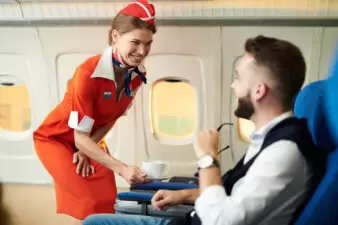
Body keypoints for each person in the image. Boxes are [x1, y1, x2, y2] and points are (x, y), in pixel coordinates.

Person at [82, 35, 326, 225]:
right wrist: (184, 195)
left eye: (238, 78)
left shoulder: (283, 152)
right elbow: (233, 195)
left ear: (260, 91)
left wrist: (208, 158)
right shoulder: (270, 139)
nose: (233, 85)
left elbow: (221, 220)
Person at [33, 0, 156, 223]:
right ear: (115, 37)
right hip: (57, 139)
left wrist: (88, 148)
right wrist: (122, 168)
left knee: (108, 198)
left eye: (148, 43)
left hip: (89, 139)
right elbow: (78, 138)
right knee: (88, 200)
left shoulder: (137, 75)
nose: (142, 51)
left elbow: (112, 116)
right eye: (135, 42)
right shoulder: (87, 74)